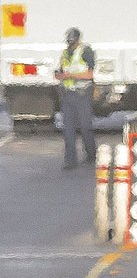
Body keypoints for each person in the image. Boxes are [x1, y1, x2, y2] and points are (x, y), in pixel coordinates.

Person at [55, 27, 96, 170]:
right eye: (69, 41)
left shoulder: (86, 51)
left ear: (78, 39)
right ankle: (70, 161)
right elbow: (61, 70)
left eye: (72, 41)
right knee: (68, 129)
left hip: (83, 94)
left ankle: (91, 155)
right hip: (68, 94)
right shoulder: (65, 53)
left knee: (85, 127)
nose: (70, 43)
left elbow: (90, 75)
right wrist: (59, 75)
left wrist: (70, 76)